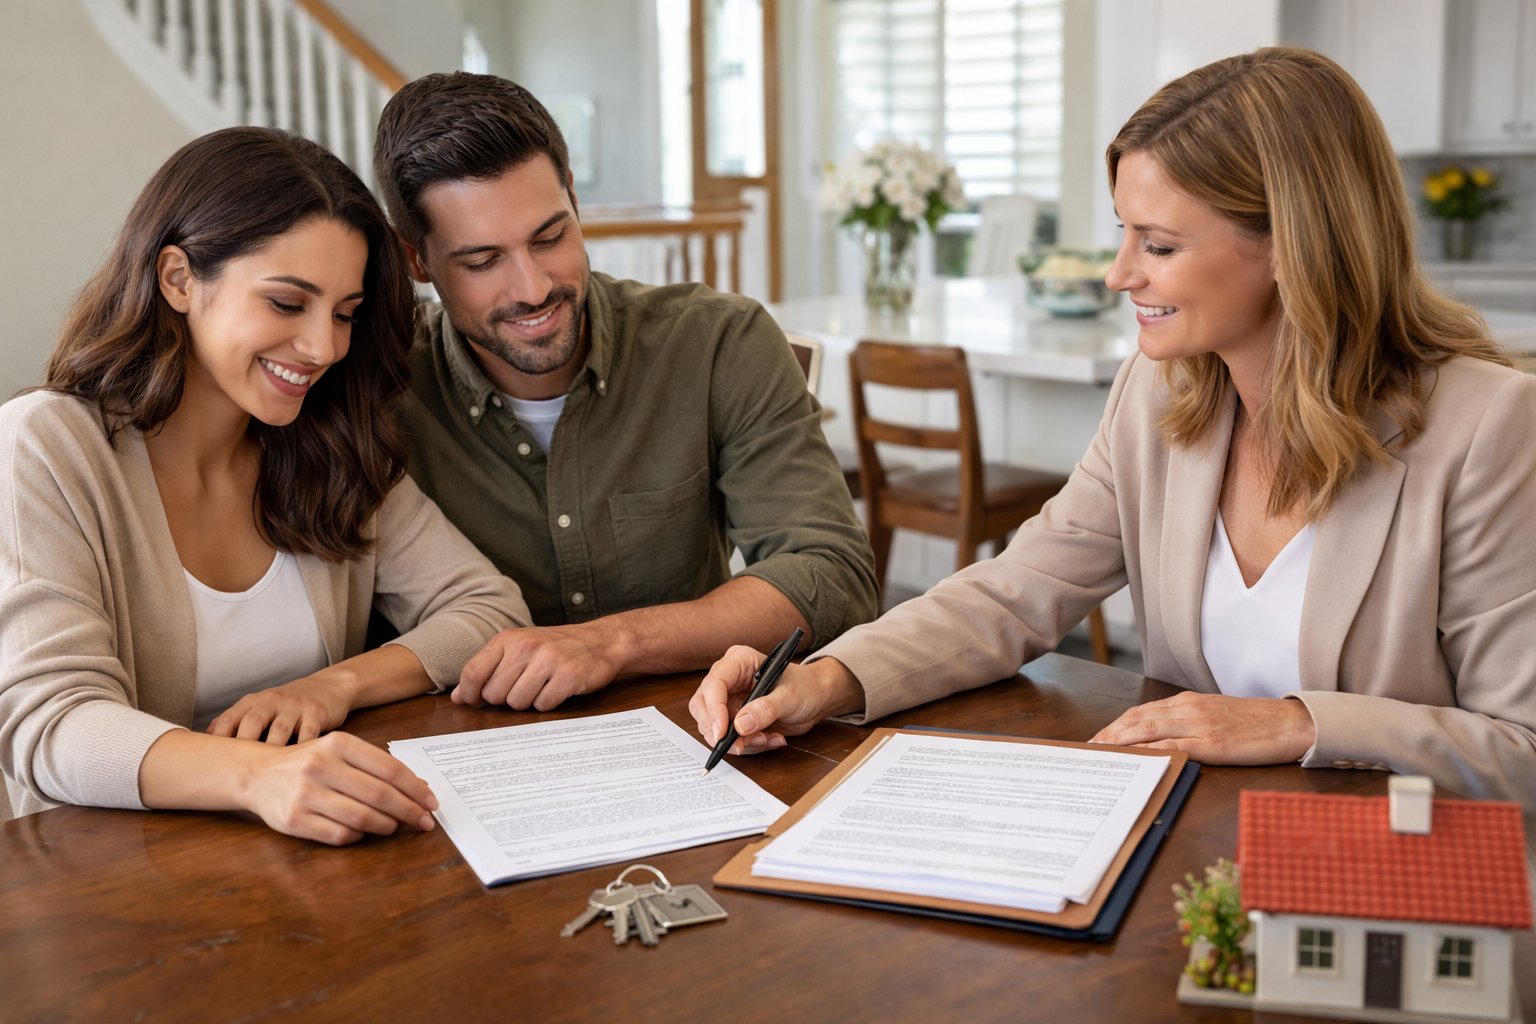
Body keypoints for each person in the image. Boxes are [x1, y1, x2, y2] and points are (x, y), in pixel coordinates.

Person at [690, 47, 1536, 812]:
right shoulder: (1155, 393)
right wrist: (827, 679)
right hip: (1184, 841)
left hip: (1376, 872)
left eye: (1158, 244)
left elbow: (1522, 750)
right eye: (1123, 233)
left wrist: (1297, 725)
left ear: (1292, 245)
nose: (1118, 272)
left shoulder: (1485, 428)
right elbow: (1013, 592)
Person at [0, 127, 531, 843]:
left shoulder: (329, 444)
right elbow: (52, 725)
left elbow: (490, 610)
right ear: (179, 279)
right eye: (287, 304)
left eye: (345, 314)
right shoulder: (49, 446)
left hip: (299, 868)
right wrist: (258, 778)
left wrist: (332, 686)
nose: (324, 348)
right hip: (110, 889)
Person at [370, 73, 877, 714]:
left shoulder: (718, 342)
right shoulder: (378, 387)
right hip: (456, 758)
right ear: (416, 261)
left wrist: (613, 643)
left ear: (575, 202)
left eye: (551, 237)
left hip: (695, 736)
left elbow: (834, 573)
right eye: (482, 262)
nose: (532, 287)